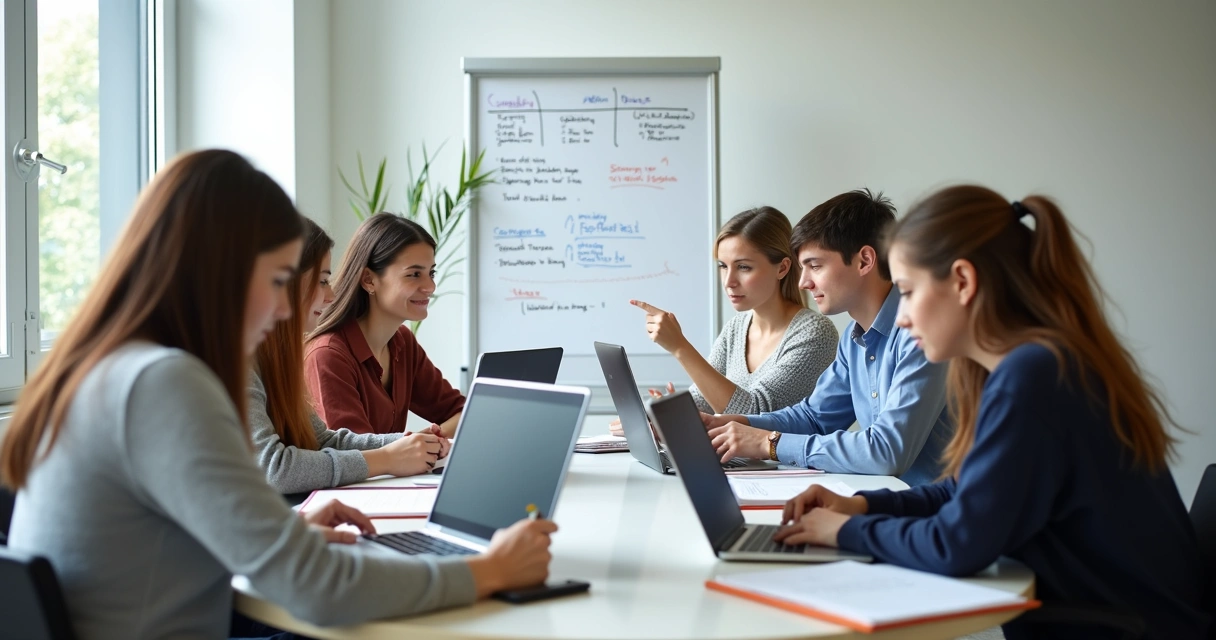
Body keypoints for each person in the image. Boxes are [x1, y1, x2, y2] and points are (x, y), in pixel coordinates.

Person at [1, 150, 556, 639]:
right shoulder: (162, 383)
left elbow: (160, 536)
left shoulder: (109, 367)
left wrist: (282, 531)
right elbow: (319, 589)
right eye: (278, 282)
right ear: (220, 271)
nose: (290, 309)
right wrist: (491, 571)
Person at [773, 186, 1210, 639]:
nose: (900, 317)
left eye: (907, 291)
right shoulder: (1029, 364)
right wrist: (862, 506)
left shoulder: (1034, 376)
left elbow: (956, 544)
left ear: (962, 281)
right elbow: (963, 492)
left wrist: (843, 532)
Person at [703, 189, 953, 486]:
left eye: (815, 265)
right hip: (899, 502)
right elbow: (815, 418)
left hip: (945, 515)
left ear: (864, 261)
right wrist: (735, 424)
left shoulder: (921, 333)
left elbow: (887, 451)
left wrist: (768, 443)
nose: (803, 282)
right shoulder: (853, 338)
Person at [250, 217, 447, 496]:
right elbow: (275, 468)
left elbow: (322, 440)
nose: (330, 295)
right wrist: (389, 457)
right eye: (322, 281)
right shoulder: (242, 362)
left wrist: (408, 443)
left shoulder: (277, 358)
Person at [627, 206, 838, 416]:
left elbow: (755, 412)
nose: (729, 282)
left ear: (782, 268)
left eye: (744, 267)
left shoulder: (816, 334)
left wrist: (680, 347)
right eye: (723, 266)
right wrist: (658, 415)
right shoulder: (737, 328)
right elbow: (704, 401)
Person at [305, 213, 463, 436]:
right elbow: (356, 455)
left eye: (431, 273)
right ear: (369, 280)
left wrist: (427, 441)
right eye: (414, 274)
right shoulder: (328, 355)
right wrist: (420, 445)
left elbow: (464, 412)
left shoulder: (403, 342)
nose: (430, 286)